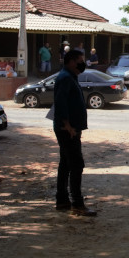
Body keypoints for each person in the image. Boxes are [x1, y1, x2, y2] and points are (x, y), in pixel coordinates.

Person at [52, 49, 97, 217]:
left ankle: (62, 200)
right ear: (71, 61)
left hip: (70, 128)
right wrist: (68, 126)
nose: (82, 64)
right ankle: (77, 204)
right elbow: (61, 103)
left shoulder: (70, 77)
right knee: (76, 165)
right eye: (80, 61)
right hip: (67, 130)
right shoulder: (65, 78)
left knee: (65, 164)